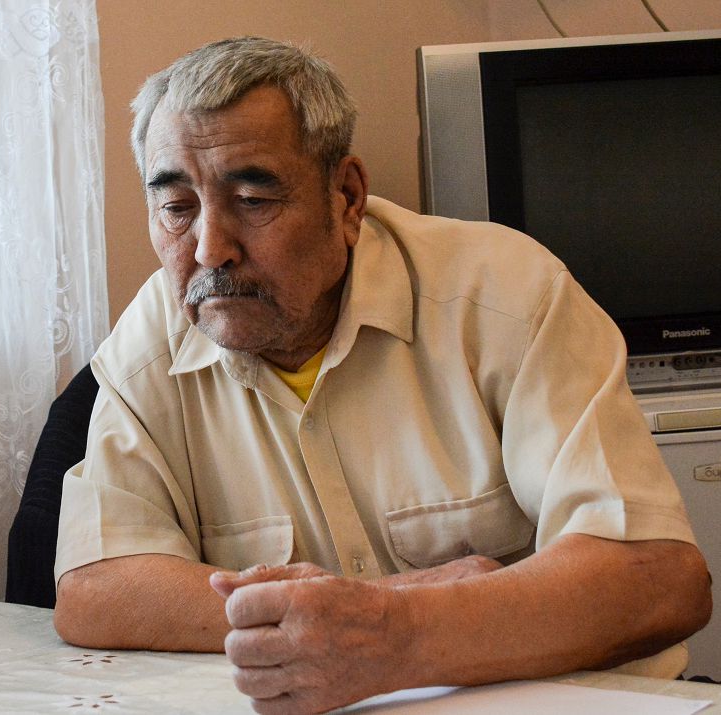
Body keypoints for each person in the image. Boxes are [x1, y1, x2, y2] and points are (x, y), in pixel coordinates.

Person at [52, 36, 712, 714]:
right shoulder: (150, 340)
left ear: (346, 198)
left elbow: (657, 580)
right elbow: (96, 588)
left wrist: (396, 634)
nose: (210, 249)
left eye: (251, 198)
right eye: (177, 207)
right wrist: (370, 609)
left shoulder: (507, 295)